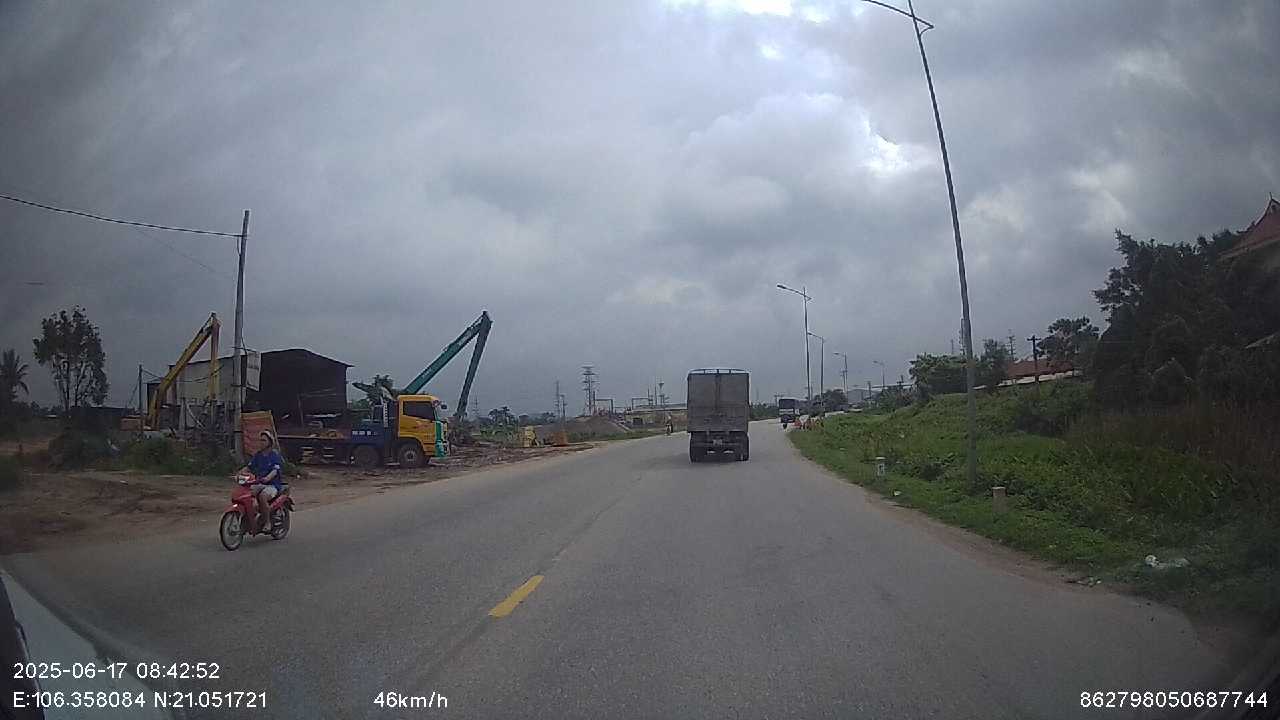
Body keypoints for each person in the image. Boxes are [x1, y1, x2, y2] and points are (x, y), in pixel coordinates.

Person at [239, 430, 284, 533]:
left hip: (272, 485)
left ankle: (267, 522)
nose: (261, 443)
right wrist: (240, 473)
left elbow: (275, 470)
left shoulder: (274, 456)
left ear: (269, 442)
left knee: (263, 496)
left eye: (264, 440)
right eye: (260, 440)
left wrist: (268, 478)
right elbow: (249, 467)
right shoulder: (258, 455)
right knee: (246, 495)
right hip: (258, 483)